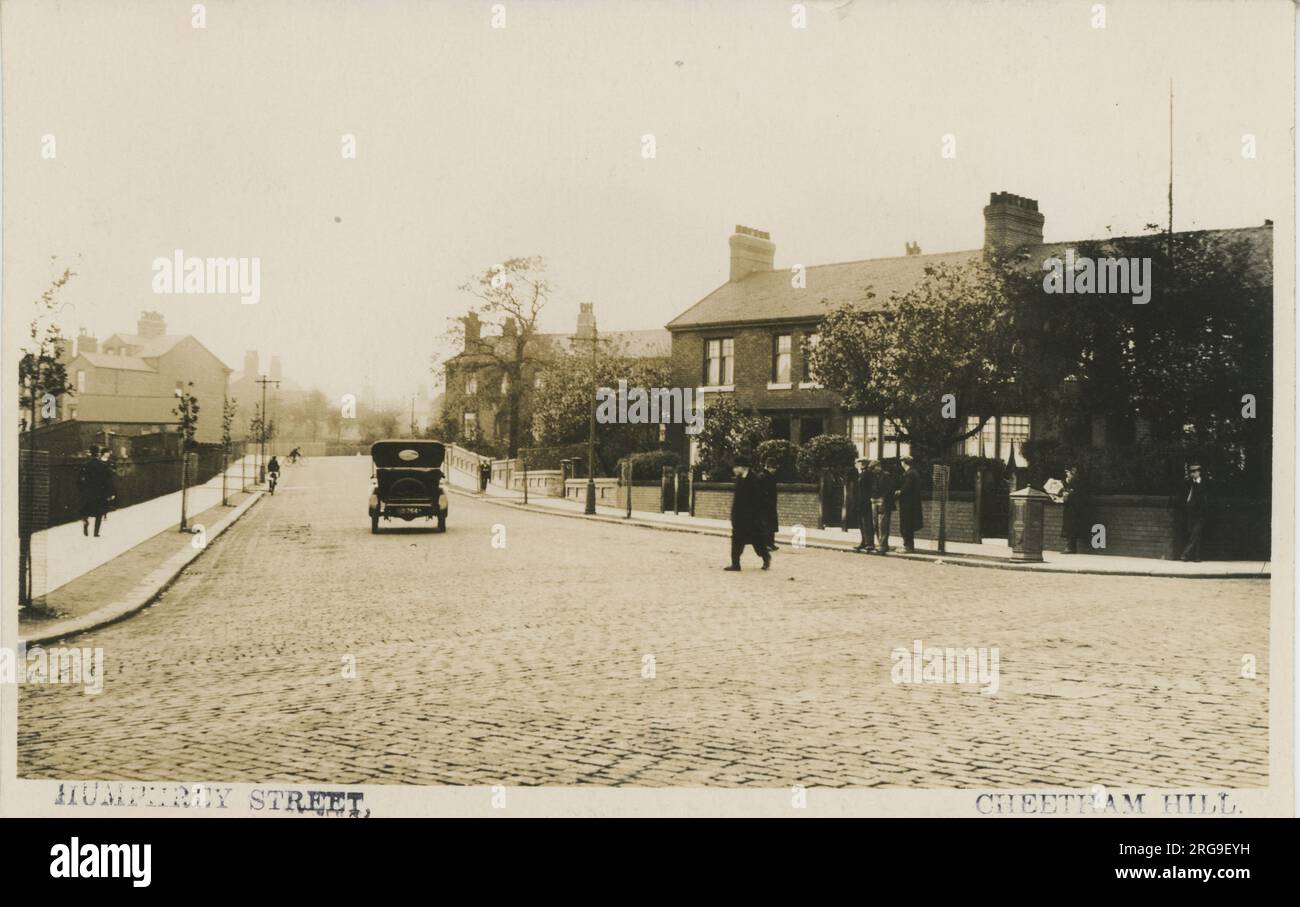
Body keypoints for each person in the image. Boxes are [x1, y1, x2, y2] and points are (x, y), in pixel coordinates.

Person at [724, 456, 770, 572]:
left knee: (758, 542)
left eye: (735, 467)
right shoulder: (739, 479)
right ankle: (735, 564)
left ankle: (766, 558)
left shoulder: (755, 479)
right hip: (740, 518)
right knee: (736, 541)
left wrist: (757, 517)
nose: (734, 470)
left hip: (752, 519)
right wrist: (734, 515)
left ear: (743, 468)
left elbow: (760, 500)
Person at [1177, 462, 1213, 562]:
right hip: (1190, 512)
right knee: (1195, 534)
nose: (1192, 474)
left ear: (1199, 472)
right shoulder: (1188, 483)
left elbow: (1208, 498)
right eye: (1190, 472)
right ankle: (1197, 557)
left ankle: (1185, 554)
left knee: (1195, 533)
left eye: (1194, 472)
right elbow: (1183, 496)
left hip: (1200, 513)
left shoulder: (1205, 483)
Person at [78, 445, 115, 537]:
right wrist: (109, 493)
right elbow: (107, 480)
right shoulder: (103, 465)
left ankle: (85, 521)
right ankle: (96, 532)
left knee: (86, 510)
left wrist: (82, 489)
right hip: (100, 492)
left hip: (88, 491)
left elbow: (79, 480)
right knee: (99, 512)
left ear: (90, 453)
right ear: (98, 453)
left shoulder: (85, 465)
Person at [1057, 464, 1090, 554]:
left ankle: (1070, 547)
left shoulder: (1075, 481)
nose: (1067, 474)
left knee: (1070, 526)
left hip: (1073, 507)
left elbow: (1071, 493)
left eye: (1068, 472)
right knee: (1071, 526)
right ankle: (1070, 546)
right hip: (1074, 507)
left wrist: (1066, 494)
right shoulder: (1075, 481)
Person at [896, 455, 924, 553]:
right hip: (911, 503)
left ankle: (908, 546)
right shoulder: (913, 472)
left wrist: (899, 492)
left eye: (902, 461)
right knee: (908, 525)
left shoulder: (910, 474)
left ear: (904, 462)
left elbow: (906, 488)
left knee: (906, 525)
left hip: (908, 504)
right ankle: (908, 546)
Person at [851, 457, 875, 552]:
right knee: (861, 523)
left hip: (865, 502)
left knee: (867, 523)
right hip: (860, 502)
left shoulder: (867, 474)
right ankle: (864, 541)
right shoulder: (861, 474)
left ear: (862, 463)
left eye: (858, 463)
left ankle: (870, 543)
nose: (856, 464)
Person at [872, 460, 896, 553]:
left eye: (874, 468)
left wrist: (883, 499)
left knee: (883, 524)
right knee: (876, 524)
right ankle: (880, 543)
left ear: (878, 466)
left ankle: (883, 545)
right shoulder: (874, 476)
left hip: (885, 503)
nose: (873, 470)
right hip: (875, 501)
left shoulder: (886, 475)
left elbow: (890, 489)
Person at [758, 456, 780, 551]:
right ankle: (764, 544)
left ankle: (771, 543)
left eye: (775, 468)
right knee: (765, 525)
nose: (774, 470)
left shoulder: (772, 477)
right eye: (773, 467)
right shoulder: (762, 476)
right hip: (764, 505)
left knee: (771, 525)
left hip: (771, 505)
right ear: (768, 467)